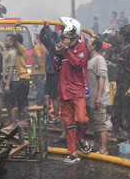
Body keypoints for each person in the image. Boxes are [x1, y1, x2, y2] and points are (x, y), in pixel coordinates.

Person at [54, 17, 90, 164]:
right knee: (68, 123)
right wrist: (57, 54)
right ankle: (73, 152)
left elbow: (77, 63)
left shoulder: (81, 48)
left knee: (82, 119)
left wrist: (68, 50)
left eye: (63, 31)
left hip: (77, 90)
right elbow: (56, 67)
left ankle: (79, 138)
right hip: (63, 91)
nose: (61, 35)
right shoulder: (63, 49)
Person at [110, 25, 130, 144]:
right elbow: (124, 66)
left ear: (122, 36)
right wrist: (114, 65)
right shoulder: (123, 50)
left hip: (127, 86)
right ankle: (114, 135)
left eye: (118, 35)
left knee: (129, 112)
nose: (117, 37)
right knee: (116, 110)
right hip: (120, 86)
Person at [0, 25, 21, 130]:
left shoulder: (12, 54)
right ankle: (9, 121)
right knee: (7, 102)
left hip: (12, 81)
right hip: (6, 81)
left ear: (12, 43)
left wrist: (7, 84)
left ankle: (13, 124)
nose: (5, 41)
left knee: (12, 104)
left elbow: (11, 70)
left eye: (7, 40)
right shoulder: (5, 50)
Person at [86, 37, 110, 154]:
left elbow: (102, 77)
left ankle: (104, 148)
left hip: (99, 99)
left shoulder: (99, 59)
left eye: (89, 43)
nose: (87, 44)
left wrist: (99, 96)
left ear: (94, 46)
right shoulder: (90, 60)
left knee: (100, 124)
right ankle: (97, 144)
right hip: (93, 99)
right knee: (95, 123)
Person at [40, 21, 62, 139]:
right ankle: (46, 115)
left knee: (54, 97)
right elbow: (43, 38)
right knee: (46, 96)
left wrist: (48, 28)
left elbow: (51, 40)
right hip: (49, 74)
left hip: (56, 74)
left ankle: (57, 117)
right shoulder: (49, 47)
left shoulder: (57, 46)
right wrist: (44, 29)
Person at [32, 33, 47, 107]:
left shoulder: (36, 47)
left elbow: (39, 56)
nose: (33, 40)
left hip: (38, 72)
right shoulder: (43, 48)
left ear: (37, 40)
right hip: (43, 71)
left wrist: (38, 64)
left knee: (39, 89)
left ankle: (39, 104)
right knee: (42, 88)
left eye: (34, 38)